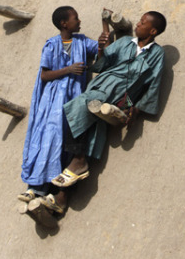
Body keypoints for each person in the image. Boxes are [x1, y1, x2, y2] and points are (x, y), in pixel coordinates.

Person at [51, 10, 166, 187]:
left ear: (153, 32)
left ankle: (76, 168)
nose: (137, 24)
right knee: (80, 109)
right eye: (139, 21)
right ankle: (77, 165)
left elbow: (153, 84)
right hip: (103, 87)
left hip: (124, 96)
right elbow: (102, 64)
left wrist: (135, 109)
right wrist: (101, 49)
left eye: (143, 23)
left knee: (86, 115)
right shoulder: (125, 42)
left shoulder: (157, 54)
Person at [18, 6, 106, 214]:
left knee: (66, 142)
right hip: (52, 102)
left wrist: (103, 41)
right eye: (76, 18)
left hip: (72, 99)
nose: (79, 20)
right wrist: (68, 70)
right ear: (64, 23)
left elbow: (101, 53)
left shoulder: (83, 41)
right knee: (48, 138)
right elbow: (44, 75)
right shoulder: (51, 45)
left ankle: (55, 190)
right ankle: (36, 187)